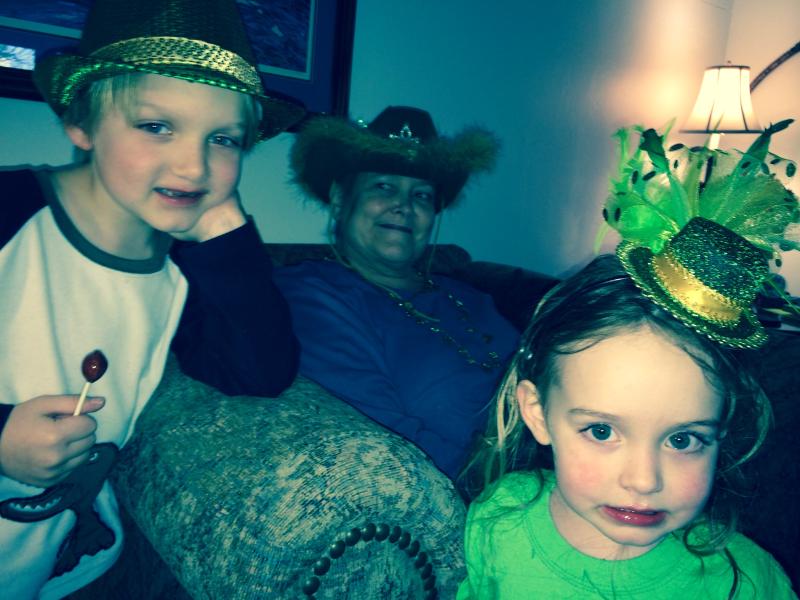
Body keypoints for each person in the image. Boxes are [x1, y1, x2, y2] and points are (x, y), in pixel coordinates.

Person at [0, 0, 305, 597]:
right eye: (156, 126)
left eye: (223, 139)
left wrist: (227, 238)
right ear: (82, 122)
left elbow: (259, 373)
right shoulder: (10, 214)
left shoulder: (184, 270)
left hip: (73, 568)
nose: (193, 166)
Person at [457, 122, 799, 598]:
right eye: (601, 431)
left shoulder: (746, 583)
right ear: (537, 413)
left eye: (683, 439)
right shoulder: (499, 518)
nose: (643, 481)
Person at [274, 106, 523, 480]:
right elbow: (383, 441)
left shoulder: (471, 297)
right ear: (340, 198)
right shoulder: (312, 296)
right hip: (479, 491)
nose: (404, 206)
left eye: (421, 195)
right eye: (384, 187)